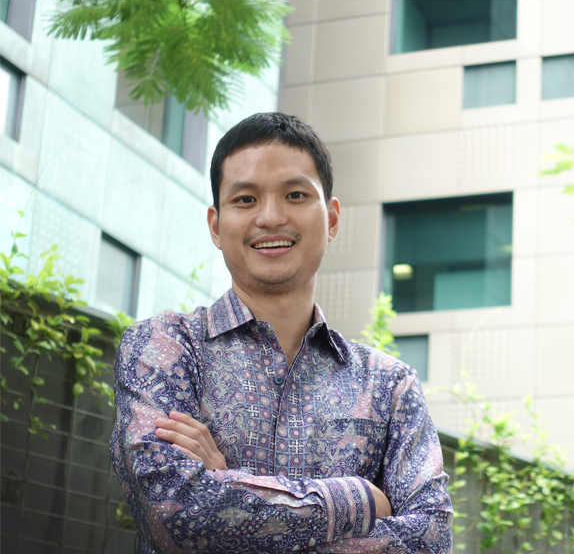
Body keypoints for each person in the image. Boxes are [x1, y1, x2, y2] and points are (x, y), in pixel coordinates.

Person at [110, 112, 453, 553]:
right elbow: (174, 512)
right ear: (215, 225)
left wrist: (224, 486)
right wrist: (360, 498)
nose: (271, 218)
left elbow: (431, 540)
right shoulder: (164, 348)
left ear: (331, 219)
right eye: (246, 200)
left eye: (294, 194)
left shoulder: (389, 387)